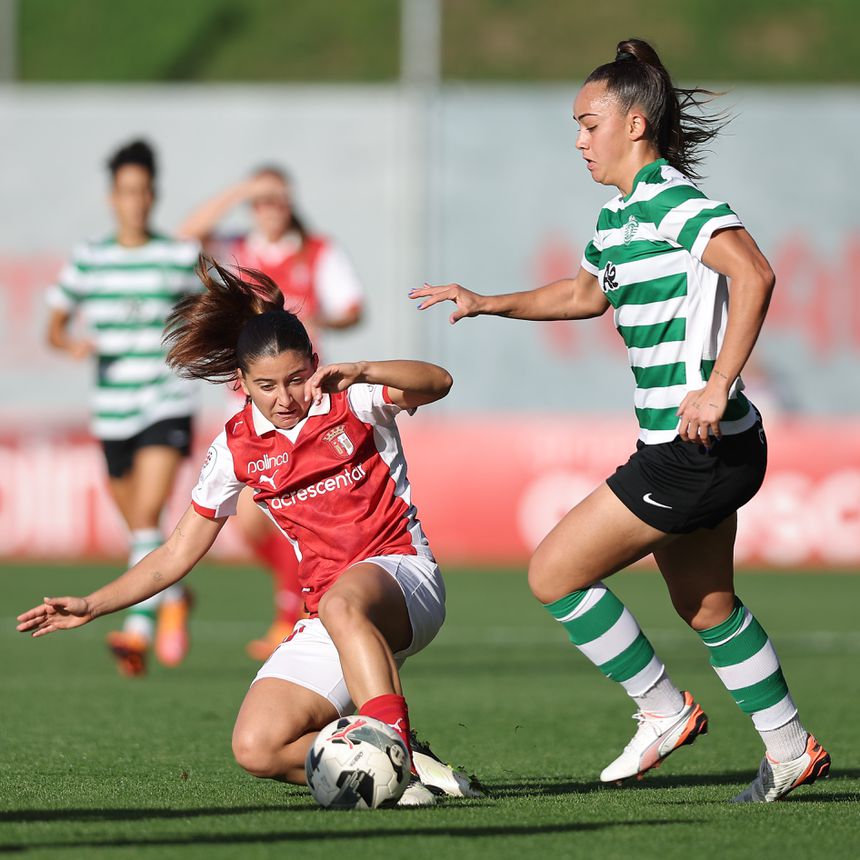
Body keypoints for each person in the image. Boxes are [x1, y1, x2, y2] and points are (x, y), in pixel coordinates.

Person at [410, 38, 829, 803]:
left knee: (553, 572)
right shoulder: (618, 216)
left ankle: (662, 712)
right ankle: (791, 748)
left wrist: (717, 382)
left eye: (588, 123)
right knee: (705, 605)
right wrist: (485, 300)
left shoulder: (673, 200)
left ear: (635, 124)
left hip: (693, 446)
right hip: (705, 444)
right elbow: (583, 295)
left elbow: (755, 272)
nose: (578, 139)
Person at [21, 259, 479, 805]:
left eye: (294, 379)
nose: (284, 398)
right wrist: (94, 605)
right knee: (258, 747)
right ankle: (410, 768)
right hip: (330, 615)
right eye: (266, 386)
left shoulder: (350, 398)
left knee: (340, 603)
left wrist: (362, 369)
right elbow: (175, 553)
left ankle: (391, 750)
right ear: (241, 383)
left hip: (404, 578)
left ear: (314, 362)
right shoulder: (234, 449)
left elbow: (439, 382)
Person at [178, 166, 364, 660]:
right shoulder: (237, 247)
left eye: (276, 199)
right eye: (260, 201)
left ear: (290, 201)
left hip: (297, 399)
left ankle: (292, 614)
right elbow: (186, 235)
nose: (269, 208)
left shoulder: (316, 251)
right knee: (254, 522)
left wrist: (314, 314)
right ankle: (309, 592)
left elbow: (353, 307)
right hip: (244, 398)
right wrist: (240, 189)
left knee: (280, 508)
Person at [45, 139, 198, 677]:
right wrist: (71, 345)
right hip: (111, 408)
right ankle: (173, 597)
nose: (135, 201)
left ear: (153, 194)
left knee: (148, 517)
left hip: (164, 399)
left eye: (143, 191)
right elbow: (55, 326)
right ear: (113, 196)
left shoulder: (176, 256)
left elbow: (206, 307)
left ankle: (136, 632)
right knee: (139, 527)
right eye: (126, 191)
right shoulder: (91, 257)